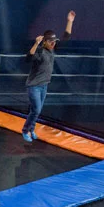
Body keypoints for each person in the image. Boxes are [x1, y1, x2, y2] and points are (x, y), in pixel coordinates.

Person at [22, 10, 76, 143]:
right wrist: (36, 43)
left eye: (54, 42)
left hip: (44, 85)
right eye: (51, 42)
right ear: (45, 42)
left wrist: (70, 21)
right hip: (34, 86)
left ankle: (32, 129)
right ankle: (25, 130)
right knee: (37, 110)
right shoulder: (40, 51)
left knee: (36, 111)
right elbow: (28, 58)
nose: (53, 44)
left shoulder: (52, 50)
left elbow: (66, 37)